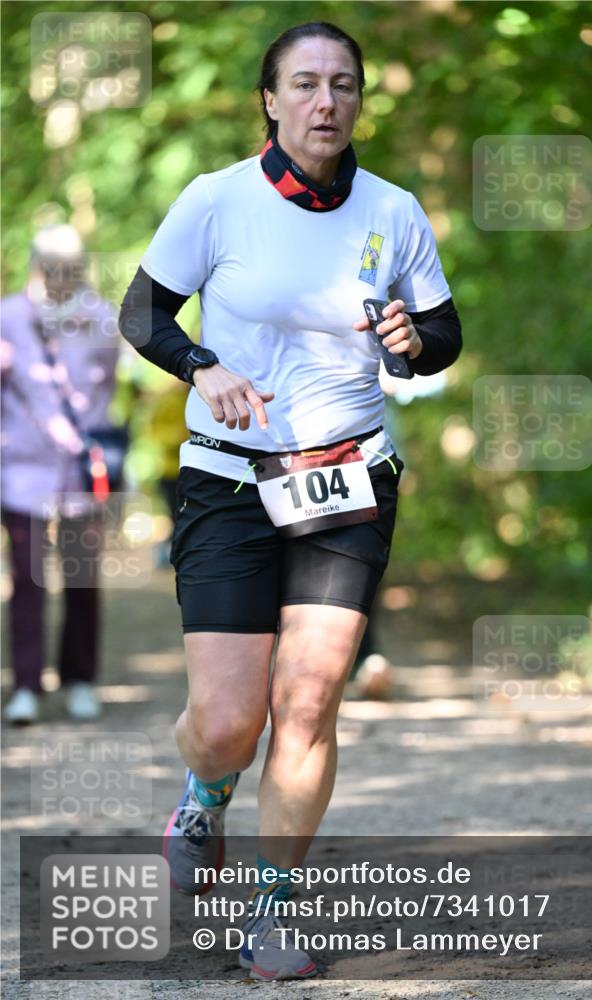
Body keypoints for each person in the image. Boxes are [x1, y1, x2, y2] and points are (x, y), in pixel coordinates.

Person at [119, 21, 461, 980]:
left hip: (347, 481)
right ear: (270, 100)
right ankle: (203, 788)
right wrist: (201, 366)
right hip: (229, 477)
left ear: (358, 100)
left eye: (343, 85)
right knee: (230, 719)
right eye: (305, 84)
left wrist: (410, 341)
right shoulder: (216, 201)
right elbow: (141, 312)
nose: (326, 102)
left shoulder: (393, 211)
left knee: (306, 704)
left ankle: (271, 913)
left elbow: (438, 332)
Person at [1, 224, 120, 724]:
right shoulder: (9, 316)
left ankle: (80, 680)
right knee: (26, 578)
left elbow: (109, 385)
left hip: (79, 472)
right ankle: (26, 684)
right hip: (20, 469)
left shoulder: (102, 318)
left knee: (82, 577)